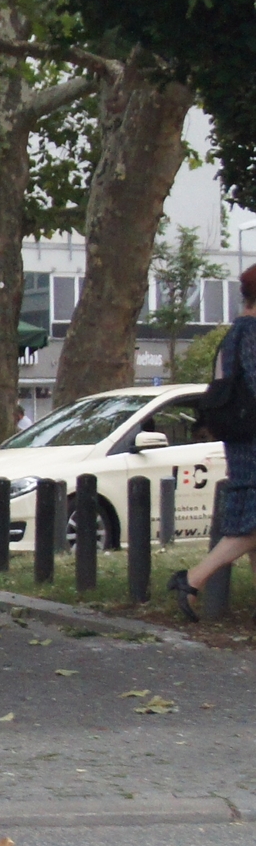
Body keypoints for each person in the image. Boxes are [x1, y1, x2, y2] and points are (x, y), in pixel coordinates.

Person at [172, 266, 256, 622]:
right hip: (254, 438)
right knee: (251, 525)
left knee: (253, 523)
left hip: (240, 437)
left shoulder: (233, 334)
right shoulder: (253, 333)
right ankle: (192, 579)